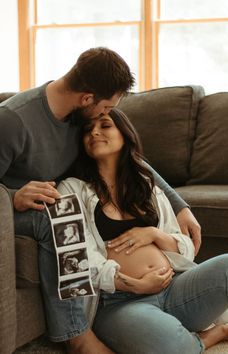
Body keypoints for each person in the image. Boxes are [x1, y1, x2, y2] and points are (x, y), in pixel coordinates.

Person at [0, 47, 200, 353]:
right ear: (86, 98)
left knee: (60, 209)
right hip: (14, 212)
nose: (104, 115)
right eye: (105, 106)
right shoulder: (13, 121)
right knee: (59, 212)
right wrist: (13, 197)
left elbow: (128, 158)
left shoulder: (78, 118)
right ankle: (77, 337)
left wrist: (177, 203)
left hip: (47, 205)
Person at [58, 108, 228, 354]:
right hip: (118, 304)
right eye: (88, 130)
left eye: (105, 125)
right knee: (173, 346)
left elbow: (185, 250)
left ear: (125, 134)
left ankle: (174, 329)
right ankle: (207, 338)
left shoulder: (147, 187)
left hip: (175, 288)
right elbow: (74, 264)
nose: (95, 132)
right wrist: (135, 286)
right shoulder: (70, 189)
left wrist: (154, 234)